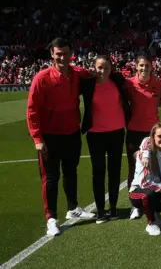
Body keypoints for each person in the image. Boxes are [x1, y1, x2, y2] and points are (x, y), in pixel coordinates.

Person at [27, 37, 94, 236]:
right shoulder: (42, 78)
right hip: (50, 137)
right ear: (52, 54)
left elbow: (94, 73)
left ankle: (73, 208)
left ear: (71, 53)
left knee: (71, 173)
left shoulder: (76, 74)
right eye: (58, 54)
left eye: (65, 53)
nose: (62, 57)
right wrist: (38, 139)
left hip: (72, 133)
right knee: (51, 179)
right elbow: (32, 110)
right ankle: (52, 218)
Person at [80, 56, 131, 223]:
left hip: (116, 132)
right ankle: (101, 209)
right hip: (95, 134)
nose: (102, 71)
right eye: (99, 68)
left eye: (106, 68)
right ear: (94, 68)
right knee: (98, 172)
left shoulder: (117, 81)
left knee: (114, 171)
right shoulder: (88, 84)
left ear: (111, 69)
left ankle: (114, 207)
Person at [125, 54, 161, 220]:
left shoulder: (158, 84)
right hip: (134, 131)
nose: (144, 68)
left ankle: (156, 201)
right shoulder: (129, 84)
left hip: (153, 133)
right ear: (136, 67)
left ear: (151, 66)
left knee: (154, 167)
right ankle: (135, 205)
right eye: (141, 66)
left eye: (147, 65)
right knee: (133, 168)